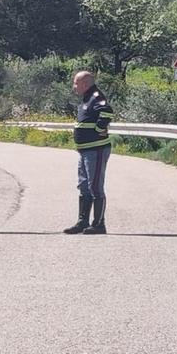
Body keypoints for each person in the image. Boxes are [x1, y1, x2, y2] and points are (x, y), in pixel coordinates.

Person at [64, 71, 114, 235]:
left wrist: (99, 129)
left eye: (76, 83)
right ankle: (82, 222)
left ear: (85, 83)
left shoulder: (96, 96)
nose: (74, 87)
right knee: (84, 186)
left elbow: (107, 111)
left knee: (95, 186)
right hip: (85, 150)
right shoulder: (87, 98)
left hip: (96, 149)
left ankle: (99, 224)